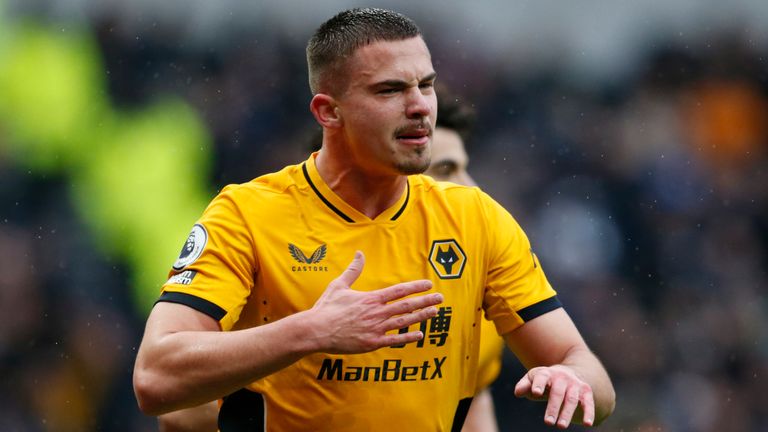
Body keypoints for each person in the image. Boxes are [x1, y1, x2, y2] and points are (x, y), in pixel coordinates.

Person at [134, 8, 615, 431]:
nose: (420, 106)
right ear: (329, 112)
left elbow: (592, 378)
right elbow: (155, 379)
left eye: (425, 85)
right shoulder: (247, 214)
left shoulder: (476, 219)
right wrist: (311, 331)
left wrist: (573, 379)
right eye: (390, 89)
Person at [156, 90, 504, 432]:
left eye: (463, 168)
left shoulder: (474, 311)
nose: (467, 187)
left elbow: (472, 410)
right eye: (444, 169)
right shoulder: (273, 277)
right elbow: (180, 412)